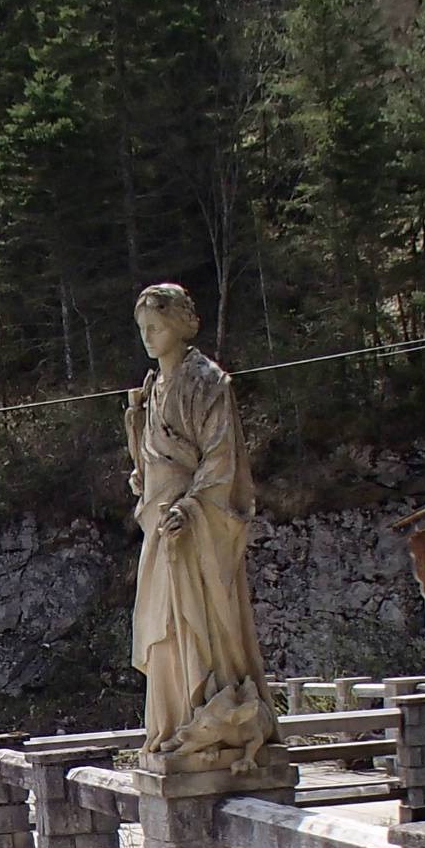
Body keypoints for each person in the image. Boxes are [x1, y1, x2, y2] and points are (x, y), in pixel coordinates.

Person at [123, 281, 276, 771]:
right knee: (162, 626)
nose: (148, 336)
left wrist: (190, 508)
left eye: (155, 326)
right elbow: (151, 460)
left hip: (194, 523)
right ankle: (171, 724)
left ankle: (211, 722)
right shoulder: (151, 390)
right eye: (142, 327)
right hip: (159, 523)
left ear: (177, 325)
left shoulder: (207, 381)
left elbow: (221, 459)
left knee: (203, 622)